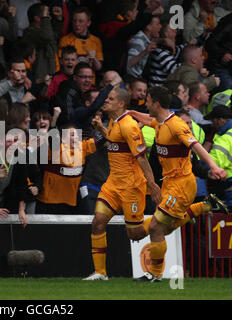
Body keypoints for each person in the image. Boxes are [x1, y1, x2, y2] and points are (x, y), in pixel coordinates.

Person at [128, 86, 228, 282]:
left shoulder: (177, 125)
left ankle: (155, 275)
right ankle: (206, 205)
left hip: (182, 185)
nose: (145, 104)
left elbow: (196, 146)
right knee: (166, 227)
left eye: (147, 101)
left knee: (156, 226)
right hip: (169, 184)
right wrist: (132, 113)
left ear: (156, 103)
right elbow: (150, 121)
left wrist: (214, 167)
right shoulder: (161, 122)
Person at [83, 87, 162, 281]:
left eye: (110, 99)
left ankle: (163, 222)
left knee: (134, 234)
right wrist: (101, 129)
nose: (106, 101)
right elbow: (114, 144)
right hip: (112, 184)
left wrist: (151, 185)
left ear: (121, 104)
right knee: (98, 223)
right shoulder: (112, 121)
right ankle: (101, 273)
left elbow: (142, 158)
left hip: (131, 187)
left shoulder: (129, 126)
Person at [58, 6, 103, 81]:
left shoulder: (96, 41)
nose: (77, 24)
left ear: (88, 23)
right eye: (74, 21)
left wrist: (94, 58)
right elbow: (61, 64)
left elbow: (99, 68)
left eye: (81, 21)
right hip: (70, 81)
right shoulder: (65, 40)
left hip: (89, 83)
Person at [205, 106, 232, 209]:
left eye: (213, 121)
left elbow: (213, 163)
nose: (212, 125)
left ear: (220, 120)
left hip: (228, 190)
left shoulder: (225, 139)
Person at [204, 12, 232, 92]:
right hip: (220, 67)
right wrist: (222, 54)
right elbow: (210, 43)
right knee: (227, 88)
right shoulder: (229, 22)